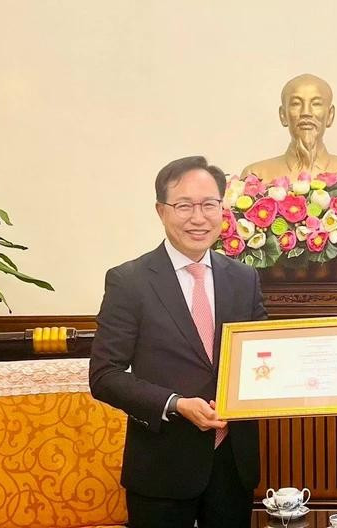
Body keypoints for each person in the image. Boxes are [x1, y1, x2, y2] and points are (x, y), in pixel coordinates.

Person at [89, 156, 266, 528]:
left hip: (233, 463)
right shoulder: (129, 281)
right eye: (184, 206)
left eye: (209, 205)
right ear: (161, 210)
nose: (198, 218)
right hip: (162, 467)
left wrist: (332, 341)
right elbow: (104, 375)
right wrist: (176, 404)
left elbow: (263, 353)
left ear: (223, 208)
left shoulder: (244, 278)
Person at [240, 73, 337, 182]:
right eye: (296, 103)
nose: (306, 112)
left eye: (316, 104)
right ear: (283, 115)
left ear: (330, 115)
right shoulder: (256, 176)